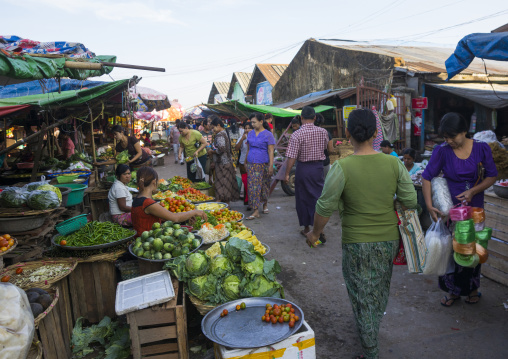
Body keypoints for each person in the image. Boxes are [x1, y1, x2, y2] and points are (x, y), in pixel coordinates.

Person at [306, 108, 417, 359]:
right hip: (388, 240)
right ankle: (371, 331)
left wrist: (315, 234)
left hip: (356, 243)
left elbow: (325, 205)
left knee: (361, 294)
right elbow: (410, 200)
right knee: (378, 289)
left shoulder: (342, 167)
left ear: (347, 134)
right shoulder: (394, 162)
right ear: (376, 133)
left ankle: (370, 351)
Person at [421, 112, 497, 307]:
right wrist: (430, 205)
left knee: (472, 250)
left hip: (475, 210)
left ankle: (472, 289)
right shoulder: (442, 151)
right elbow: (427, 177)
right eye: (445, 137)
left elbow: (492, 176)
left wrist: (473, 190)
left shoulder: (481, 149)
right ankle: (452, 292)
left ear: (465, 131)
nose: (449, 141)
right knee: (449, 250)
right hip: (449, 211)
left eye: (452, 136)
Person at [285, 106, 329, 239]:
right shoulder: (323, 132)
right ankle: (319, 229)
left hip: (303, 169)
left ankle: (306, 228)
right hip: (318, 168)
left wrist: (287, 173)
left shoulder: (297, 134)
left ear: (301, 118)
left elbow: (292, 156)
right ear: (315, 117)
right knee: (317, 197)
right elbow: (326, 148)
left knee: (303, 198)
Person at [131, 167, 207, 236]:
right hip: (147, 242)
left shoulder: (137, 198)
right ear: (154, 182)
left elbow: (160, 217)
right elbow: (174, 218)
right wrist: (194, 212)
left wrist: (186, 217)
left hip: (142, 240)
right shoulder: (147, 203)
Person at [244, 113, 275, 220]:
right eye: (251, 122)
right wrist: (245, 161)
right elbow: (248, 149)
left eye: (254, 122)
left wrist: (271, 165)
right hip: (252, 163)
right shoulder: (250, 134)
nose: (252, 124)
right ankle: (255, 210)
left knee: (264, 185)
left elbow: (271, 150)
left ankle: (265, 204)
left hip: (264, 163)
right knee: (253, 186)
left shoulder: (268, 134)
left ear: (261, 122)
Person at [207, 117, 240, 204]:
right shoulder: (225, 132)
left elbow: (222, 148)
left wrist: (212, 151)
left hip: (222, 164)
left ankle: (219, 202)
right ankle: (227, 204)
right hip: (227, 162)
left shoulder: (220, 135)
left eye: (214, 127)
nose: (213, 130)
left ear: (218, 125)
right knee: (227, 184)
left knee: (221, 184)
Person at [235, 121, 253, 209]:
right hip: (242, 163)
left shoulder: (255, 137)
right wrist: (242, 139)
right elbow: (236, 148)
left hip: (253, 163)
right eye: (245, 128)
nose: (247, 130)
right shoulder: (242, 138)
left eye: (249, 128)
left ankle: (250, 201)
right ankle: (247, 201)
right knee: (245, 183)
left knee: (251, 183)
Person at [315, 113, 334, 177]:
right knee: (324, 182)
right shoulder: (326, 133)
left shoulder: (305, 132)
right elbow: (331, 150)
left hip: (311, 164)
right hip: (324, 163)